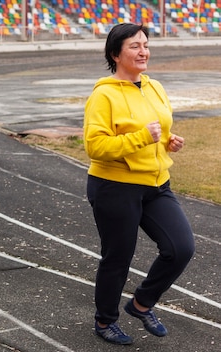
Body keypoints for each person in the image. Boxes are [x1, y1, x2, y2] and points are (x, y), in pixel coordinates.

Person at [83, 23, 195, 345]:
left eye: (145, 45)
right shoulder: (103, 94)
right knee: (118, 257)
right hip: (115, 186)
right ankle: (105, 321)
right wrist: (142, 137)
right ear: (116, 54)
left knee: (180, 248)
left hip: (157, 183)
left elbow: (158, 128)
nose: (143, 51)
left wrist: (167, 141)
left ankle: (141, 303)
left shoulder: (154, 86)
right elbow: (95, 147)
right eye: (135, 46)